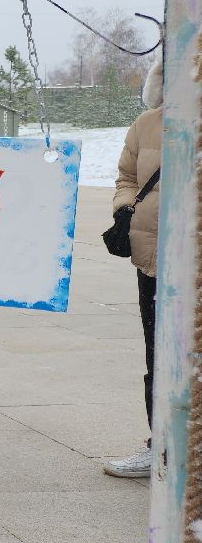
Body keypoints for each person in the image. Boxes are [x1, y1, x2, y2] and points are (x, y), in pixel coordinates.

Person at [104, 59, 163, 478]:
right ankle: (158, 444)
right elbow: (126, 176)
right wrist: (126, 207)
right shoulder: (146, 124)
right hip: (152, 258)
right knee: (158, 354)